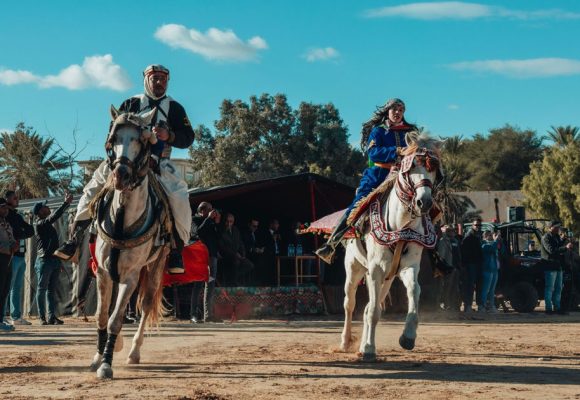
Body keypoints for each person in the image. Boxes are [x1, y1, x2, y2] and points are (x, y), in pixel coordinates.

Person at [54, 64, 195, 274]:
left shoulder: (175, 108)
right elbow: (112, 131)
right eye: (155, 78)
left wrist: (169, 136)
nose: (159, 83)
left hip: (159, 162)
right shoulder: (131, 103)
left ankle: (175, 248)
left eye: (163, 79)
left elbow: (188, 137)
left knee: (180, 197)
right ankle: (74, 238)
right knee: (92, 187)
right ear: (146, 80)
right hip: (124, 161)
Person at [315, 98, 417, 264]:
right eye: (394, 110)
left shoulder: (409, 133)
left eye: (401, 110)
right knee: (357, 204)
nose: (398, 113)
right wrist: (397, 150)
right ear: (387, 111)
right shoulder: (378, 131)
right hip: (378, 174)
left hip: (402, 174)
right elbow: (374, 153)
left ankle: (435, 256)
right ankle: (331, 244)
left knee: (425, 200)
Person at [33, 193, 73, 325]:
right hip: (44, 261)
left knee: (51, 290)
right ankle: (41, 317)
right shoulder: (39, 223)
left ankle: (51, 317)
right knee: (42, 288)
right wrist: (65, 203)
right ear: (40, 211)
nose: (47, 207)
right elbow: (53, 217)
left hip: (54, 260)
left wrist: (59, 261)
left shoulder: (47, 225)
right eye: (45, 207)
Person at [4, 191, 35, 325]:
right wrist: (20, 232)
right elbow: (15, 231)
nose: (17, 200)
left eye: (17, 197)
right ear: (7, 200)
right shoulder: (7, 216)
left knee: (16, 287)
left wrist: (20, 233)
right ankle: (3, 315)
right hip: (11, 256)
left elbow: (30, 230)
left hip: (21, 256)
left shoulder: (17, 216)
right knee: (6, 287)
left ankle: (16, 316)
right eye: (14, 198)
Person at [190, 202, 220, 323]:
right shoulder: (194, 219)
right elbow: (198, 233)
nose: (212, 212)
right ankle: (194, 314)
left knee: (211, 285)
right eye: (209, 210)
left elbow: (218, 237)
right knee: (198, 286)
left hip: (212, 257)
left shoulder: (211, 221)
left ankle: (208, 315)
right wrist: (208, 219)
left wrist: (217, 223)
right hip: (200, 257)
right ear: (202, 210)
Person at [541, 221, 573, 315]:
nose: (558, 229)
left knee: (559, 288)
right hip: (550, 265)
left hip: (558, 266)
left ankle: (557, 307)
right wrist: (565, 247)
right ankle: (548, 308)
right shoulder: (546, 237)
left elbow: (558, 247)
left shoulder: (556, 237)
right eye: (556, 227)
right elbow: (552, 251)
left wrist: (563, 241)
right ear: (550, 227)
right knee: (550, 288)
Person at [218, 213, 253, 285]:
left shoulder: (235, 230)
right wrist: (235, 254)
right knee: (236, 262)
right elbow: (222, 247)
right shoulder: (220, 231)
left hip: (237, 255)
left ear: (233, 222)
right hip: (225, 256)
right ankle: (233, 282)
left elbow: (241, 243)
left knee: (249, 265)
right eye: (227, 221)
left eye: (231, 221)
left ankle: (232, 278)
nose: (228, 223)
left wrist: (243, 254)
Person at [0, 198, 19, 331]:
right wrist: (8, 246)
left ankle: (0, 320)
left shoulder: (5, 223)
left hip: (8, 259)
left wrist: (14, 244)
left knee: (5, 290)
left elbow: (11, 238)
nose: (6, 210)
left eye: (6, 208)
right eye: (3, 207)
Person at [461, 218, 483, 313]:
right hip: (470, 265)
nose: (478, 227)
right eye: (476, 225)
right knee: (470, 286)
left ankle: (479, 305)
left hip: (478, 264)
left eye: (479, 225)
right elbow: (464, 251)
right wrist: (465, 265)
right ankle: (468, 306)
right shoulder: (468, 237)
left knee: (479, 286)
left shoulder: (478, 236)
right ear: (472, 226)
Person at [479, 230, 500, 313]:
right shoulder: (483, 245)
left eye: (492, 235)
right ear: (485, 236)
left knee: (492, 290)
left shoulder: (494, 244)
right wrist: (495, 240)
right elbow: (491, 249)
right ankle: (482, 306)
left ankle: (491, 306)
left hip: (494, 270)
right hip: (487, 270)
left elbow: (499, 250)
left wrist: (498, 241)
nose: (491, 236)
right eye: (489, 235)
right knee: (485, 290)